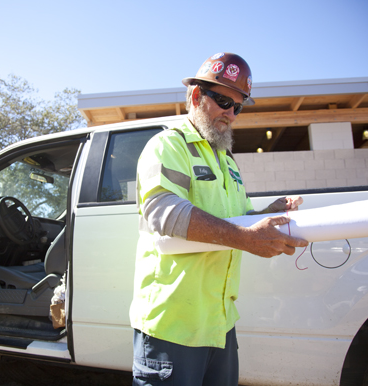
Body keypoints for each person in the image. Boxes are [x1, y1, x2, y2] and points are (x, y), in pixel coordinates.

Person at [129, 52, 309, 386]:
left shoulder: (227, 162)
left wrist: (269, 215)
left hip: (219, 326)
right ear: (196, 96)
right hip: (172, 327)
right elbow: (162, 211)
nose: (231, 113)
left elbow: (239, 220)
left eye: (238, 106)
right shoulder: (168, 146)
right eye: (224, 100)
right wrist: (245, 237)